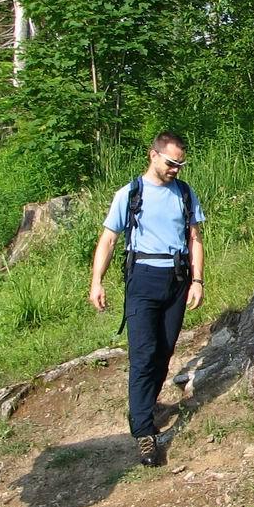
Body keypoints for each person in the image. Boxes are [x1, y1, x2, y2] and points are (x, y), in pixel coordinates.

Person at [90, 132, 205, 466]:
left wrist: (197, 280)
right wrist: (97, 281)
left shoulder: (184, 193)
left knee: (165, 351)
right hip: (142, 278)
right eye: (171, 163)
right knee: (143, 353)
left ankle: (143, 403)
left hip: (177, 279)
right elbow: (109, 239)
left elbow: (195, 238)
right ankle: (144, 431)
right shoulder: (130, 194)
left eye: (180, 164)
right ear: (153, 155)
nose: (176, 170)